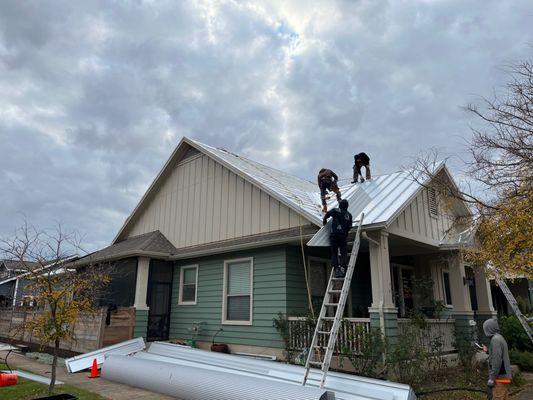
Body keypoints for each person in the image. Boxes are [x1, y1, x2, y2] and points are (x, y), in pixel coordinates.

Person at [483, 318, 512, 400]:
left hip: (499, 377)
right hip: (504, 376)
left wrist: (492, 379)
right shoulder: (499, 337)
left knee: (498, 397)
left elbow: (496, 361)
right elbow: (499, 355)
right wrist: (488, 351)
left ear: (489, 328)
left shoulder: (495, 340)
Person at [323, 199, 353, 278]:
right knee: (343, 253)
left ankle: (336, 270)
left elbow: (327, 214)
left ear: (340, 205)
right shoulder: (349, 215)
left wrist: (324, 220)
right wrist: (345, 231)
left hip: (334, 236)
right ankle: (342, 268)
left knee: (334, 253)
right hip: (343, 236)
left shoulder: (336, 210)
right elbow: (349, 227)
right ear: (347, 206)